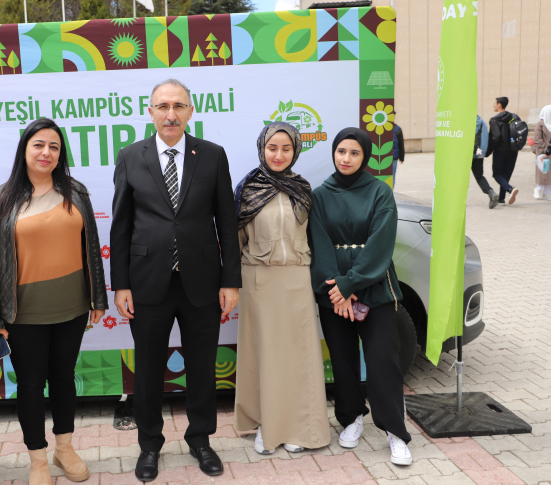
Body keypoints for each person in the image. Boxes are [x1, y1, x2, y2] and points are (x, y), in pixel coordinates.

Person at [110, 79, 242, 482]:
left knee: (202, 366)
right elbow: (121, 225)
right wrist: (121, 284)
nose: (171, 114)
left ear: (190, 111)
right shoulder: (130, 156)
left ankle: (200, 439)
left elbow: (226, 221)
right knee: (148, 369)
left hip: (202, 281)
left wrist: (231, 280)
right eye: (163, 106)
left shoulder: (212, 155)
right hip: (147, 282)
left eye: (179, 106)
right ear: (150, 111)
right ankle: (149, 444)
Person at [0, 118, 108, 485]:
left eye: (54, 146)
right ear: (24, 150)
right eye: (38, 145)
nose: (46, 152)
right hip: (23, 313)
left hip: (72, 307)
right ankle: (37, 460)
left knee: (64, 379)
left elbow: (92, 247)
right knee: (32, 386)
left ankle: (64, 448)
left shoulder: (76, 192)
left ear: (60, 153)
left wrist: (98, 297)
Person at [309, 128, 413, 467]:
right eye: (341, 151)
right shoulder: (320, 195)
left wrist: (349, 285)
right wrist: (337, 291)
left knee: (383, 362)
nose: (346, 158)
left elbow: (381, 243)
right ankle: (351, 417)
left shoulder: (380, 191)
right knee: (342, 361)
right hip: (333, 294)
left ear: (365, 156)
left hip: (374, 290)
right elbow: (319, 244)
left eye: (354, 153)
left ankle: (395, 431)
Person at [232, 122, 331, 455]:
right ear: (262, 148)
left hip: (297, 280)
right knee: (264, 356)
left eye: (286, 148)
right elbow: (235, 241)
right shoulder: (247, 190)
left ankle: (300, 428)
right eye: (272, 148)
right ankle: (266, 425)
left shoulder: (302, 189)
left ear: (295, 151)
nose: (278, 155)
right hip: (258, 279)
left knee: (299, 356)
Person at [487, 96, 519, 205]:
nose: (493, 105)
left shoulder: (494, 120)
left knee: (497, 174)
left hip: (500, 151)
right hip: (513, 151)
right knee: (505, 174)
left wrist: (490, 150)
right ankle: (501, 198)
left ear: (499, 105)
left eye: (494, 103)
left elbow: (495, 137)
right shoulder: (515, 117)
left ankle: (510, 189)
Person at [473, 115, 499, 208]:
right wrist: (484, 152)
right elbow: (486, 137)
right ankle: (490, 192)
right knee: (479, 176)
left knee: (461, 177)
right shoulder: (483, 123)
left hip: (466, 154)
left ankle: (456, 199)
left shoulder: (465, 122)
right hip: (479, 152)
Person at [532, 105, 551, 200]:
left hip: (549, 152)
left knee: (549, 174)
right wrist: (544, 149)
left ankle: (547, 192)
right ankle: (538, 190)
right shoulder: (540, 124)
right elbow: (537, 139)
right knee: (543, 172)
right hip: (543, 152)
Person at [392, 121, 404, 188]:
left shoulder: (380, 126)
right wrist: (401, 157)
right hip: (394, 156)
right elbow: (401, 144)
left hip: (382, 156)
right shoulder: (397, 128)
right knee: (392, 175)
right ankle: (391, 191)